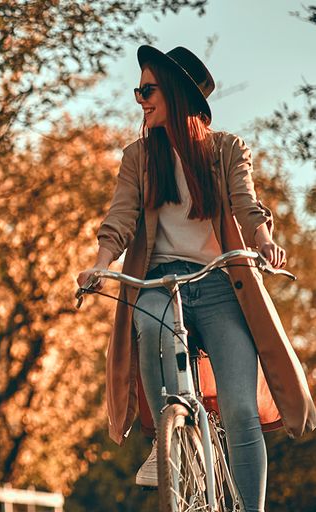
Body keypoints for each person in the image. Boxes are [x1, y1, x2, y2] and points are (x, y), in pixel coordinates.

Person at [77, 45, 315, 511]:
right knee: (145, 324)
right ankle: (164, 440)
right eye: (138, 90)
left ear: (178, 94)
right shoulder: (139, 158)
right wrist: (101, 262)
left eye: (148, 89)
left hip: (219, 285)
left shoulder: (226, 150)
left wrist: (263, 241)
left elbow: (247, 205)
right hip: (161, 282)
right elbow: (120, 218)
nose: (140, 99)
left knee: (242, 412)